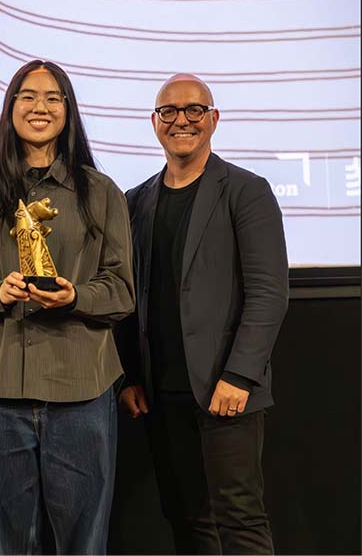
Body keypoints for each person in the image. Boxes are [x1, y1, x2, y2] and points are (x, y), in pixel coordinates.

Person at [0, 60, 135, 554]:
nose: (40, 108)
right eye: (27, 97)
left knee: (83, 543)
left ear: (68, 112)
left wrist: (75, 296)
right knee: (4, 544)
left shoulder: (101, 193)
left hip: (82, 391)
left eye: (53, 98)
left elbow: (120, 290)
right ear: (9, 110)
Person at [116, 73, 289, 554]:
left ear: (213, 119)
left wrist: (240, 375)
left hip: (225, 390)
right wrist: (130, 376)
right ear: (155, 122)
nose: (181, 120)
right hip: (160, 393)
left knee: (240, 518)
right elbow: (132, 297)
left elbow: (269, 291)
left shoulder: (246, 191)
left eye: (194, 110)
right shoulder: (136, 201)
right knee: (186, 519)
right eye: (169, 111)